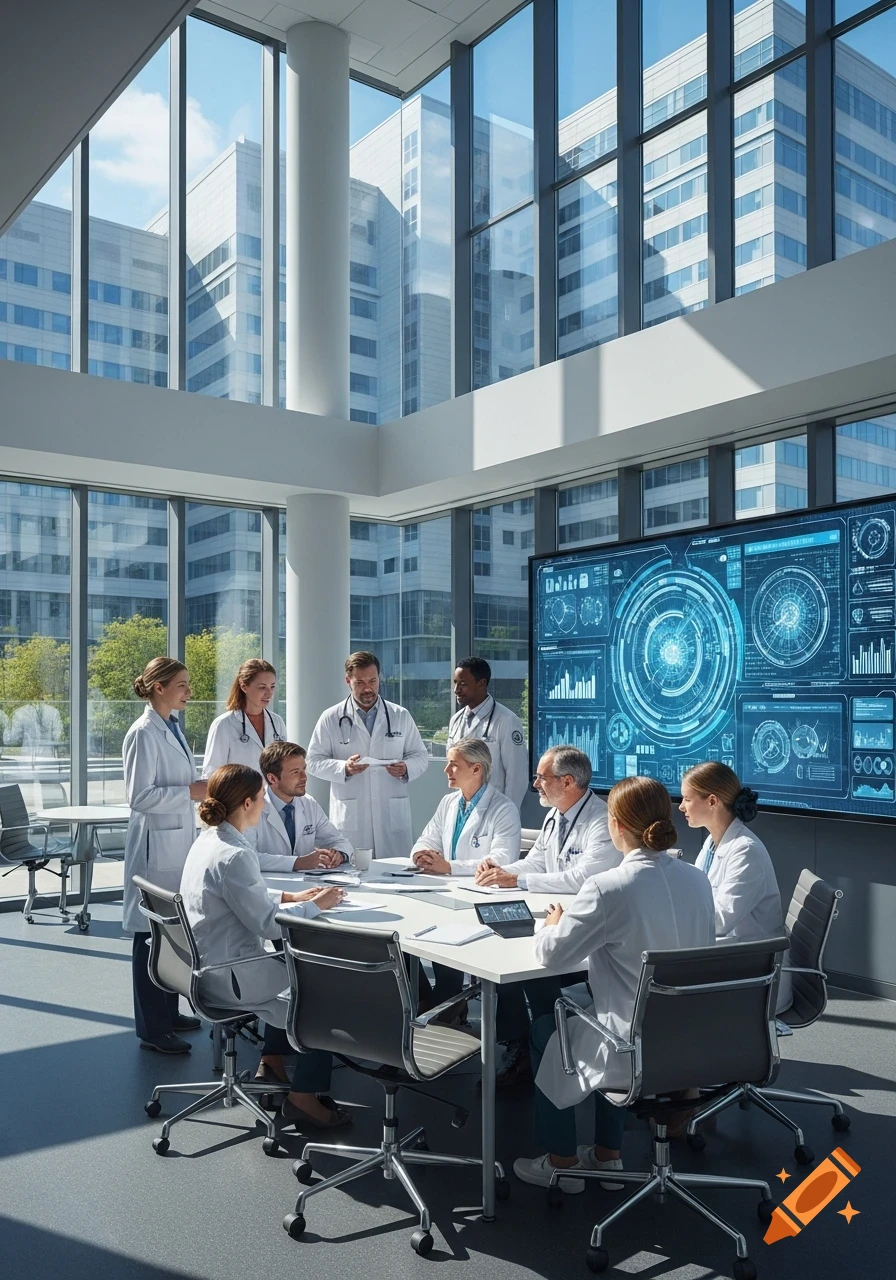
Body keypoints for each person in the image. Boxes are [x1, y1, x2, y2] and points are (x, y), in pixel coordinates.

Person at [513, 776, 715, 1193]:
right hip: (692, 1041)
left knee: (544, 1030)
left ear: (617, 826)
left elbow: (553, 956)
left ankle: (562, 1163)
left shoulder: (608, 887)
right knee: (610, 1011)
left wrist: (551, 926)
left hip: (630, 1046)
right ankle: (608, 1156)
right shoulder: (698, 880)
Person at [180, 763, 351, 1130]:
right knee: (324, 996)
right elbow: (268, 923)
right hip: (232, 976)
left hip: (206, 968)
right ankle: (304, 1099)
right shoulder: (236, 854)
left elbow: (235, 894)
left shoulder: (209, 841)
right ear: (246, 803)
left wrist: (287, 895)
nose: (264, 806)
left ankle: (272, 1064)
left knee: (287, 970)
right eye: (260, 799)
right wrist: (316, 905)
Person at [475, 745, 622, 1087]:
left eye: (541, 777)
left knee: (536, 966)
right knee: (502, 951)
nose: (535, 784)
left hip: (582, 925)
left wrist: (517, 879)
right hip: (550, 915)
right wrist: (502, 870)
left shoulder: (600, 821)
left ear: (568, 781)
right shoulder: (555, 813)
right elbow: (539, 861)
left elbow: (582, 879)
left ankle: (548, 1046)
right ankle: (520, 1042)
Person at [122, 657, 207, 1054]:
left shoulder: (171, 726)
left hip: (173, 843)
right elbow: (139, 798)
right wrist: (191, 793)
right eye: (183, 685)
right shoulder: (144, 732)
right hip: (155, 846)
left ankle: (169, 1015)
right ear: (160, 687)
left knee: (170, 932)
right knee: (148, 934)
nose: (189, 691)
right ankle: (153, 1030)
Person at [411, 739, 522, 1016]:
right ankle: (437, 1004)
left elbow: (502, 860)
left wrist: (449, 867)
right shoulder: (449, 802)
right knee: (408, 940)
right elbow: (428, 836)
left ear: (476, 769)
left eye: (453, 764)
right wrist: (421, 854)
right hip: (446, 893)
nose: (446, 769)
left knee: (448, 950)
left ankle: (443, 1007)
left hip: (480, 899)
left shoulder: (503, 808)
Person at [679, 761, 791, 1010]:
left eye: (687, 799)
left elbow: (719, 921)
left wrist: (674, 914)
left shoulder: (745, 851)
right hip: (730, 954)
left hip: (753, 972)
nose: (681, 806)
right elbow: (699, 896)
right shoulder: (712, 843)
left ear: (712, 801)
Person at [305, 651, 429, 859]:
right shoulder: (331, 717)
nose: (368, 688)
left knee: (396, 878)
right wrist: (344, 768)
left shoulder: (400, 715)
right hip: (352, 817)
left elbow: (420, 756)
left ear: (379, 677)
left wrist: (406, 767)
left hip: (392, 816)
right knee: (353, 878)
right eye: (360, 682)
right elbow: (313, 761)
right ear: (348, 681)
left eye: (373, 680)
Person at [252, 740, 353, 872]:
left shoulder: (308, 803)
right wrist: (297, 863)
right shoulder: (252, 808)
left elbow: (339, 841)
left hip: (307, 884)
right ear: (272, 779)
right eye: (295, 772)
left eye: (304, 770)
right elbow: (248, 857)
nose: (304, 777)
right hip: (270, 888)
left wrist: (339, 854)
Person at [447, 657, 529, 808]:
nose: (456, 689)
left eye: (463, 684)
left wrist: (508, 813)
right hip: (462, 806)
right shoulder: (456, 720)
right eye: (455, 682)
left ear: (481, 683)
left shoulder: (507, 720)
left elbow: (517, 776)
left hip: (494, 808)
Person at [202, 658, 286, 778]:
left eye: (272, 687)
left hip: (269, 796)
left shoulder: (277, 722)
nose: (269, 693)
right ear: (244, 686)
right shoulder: (224, 724)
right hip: (236, 795)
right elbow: (211, 774)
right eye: (262, 687)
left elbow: (284, 766)